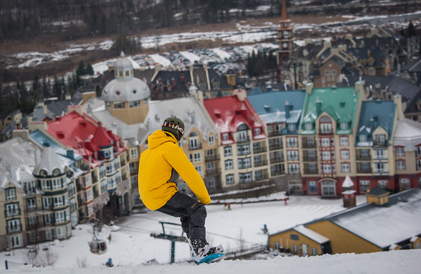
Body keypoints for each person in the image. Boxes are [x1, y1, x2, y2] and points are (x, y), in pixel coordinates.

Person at [138, 117, 223, 263]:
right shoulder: (170, 148)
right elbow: (190, 175)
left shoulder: (147, 152)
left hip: (148, 197)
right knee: (197, 210)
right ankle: (199, 249)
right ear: (178, 134)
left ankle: (196, 250)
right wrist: (204, 198)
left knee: (187, 213)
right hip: (161, 193)